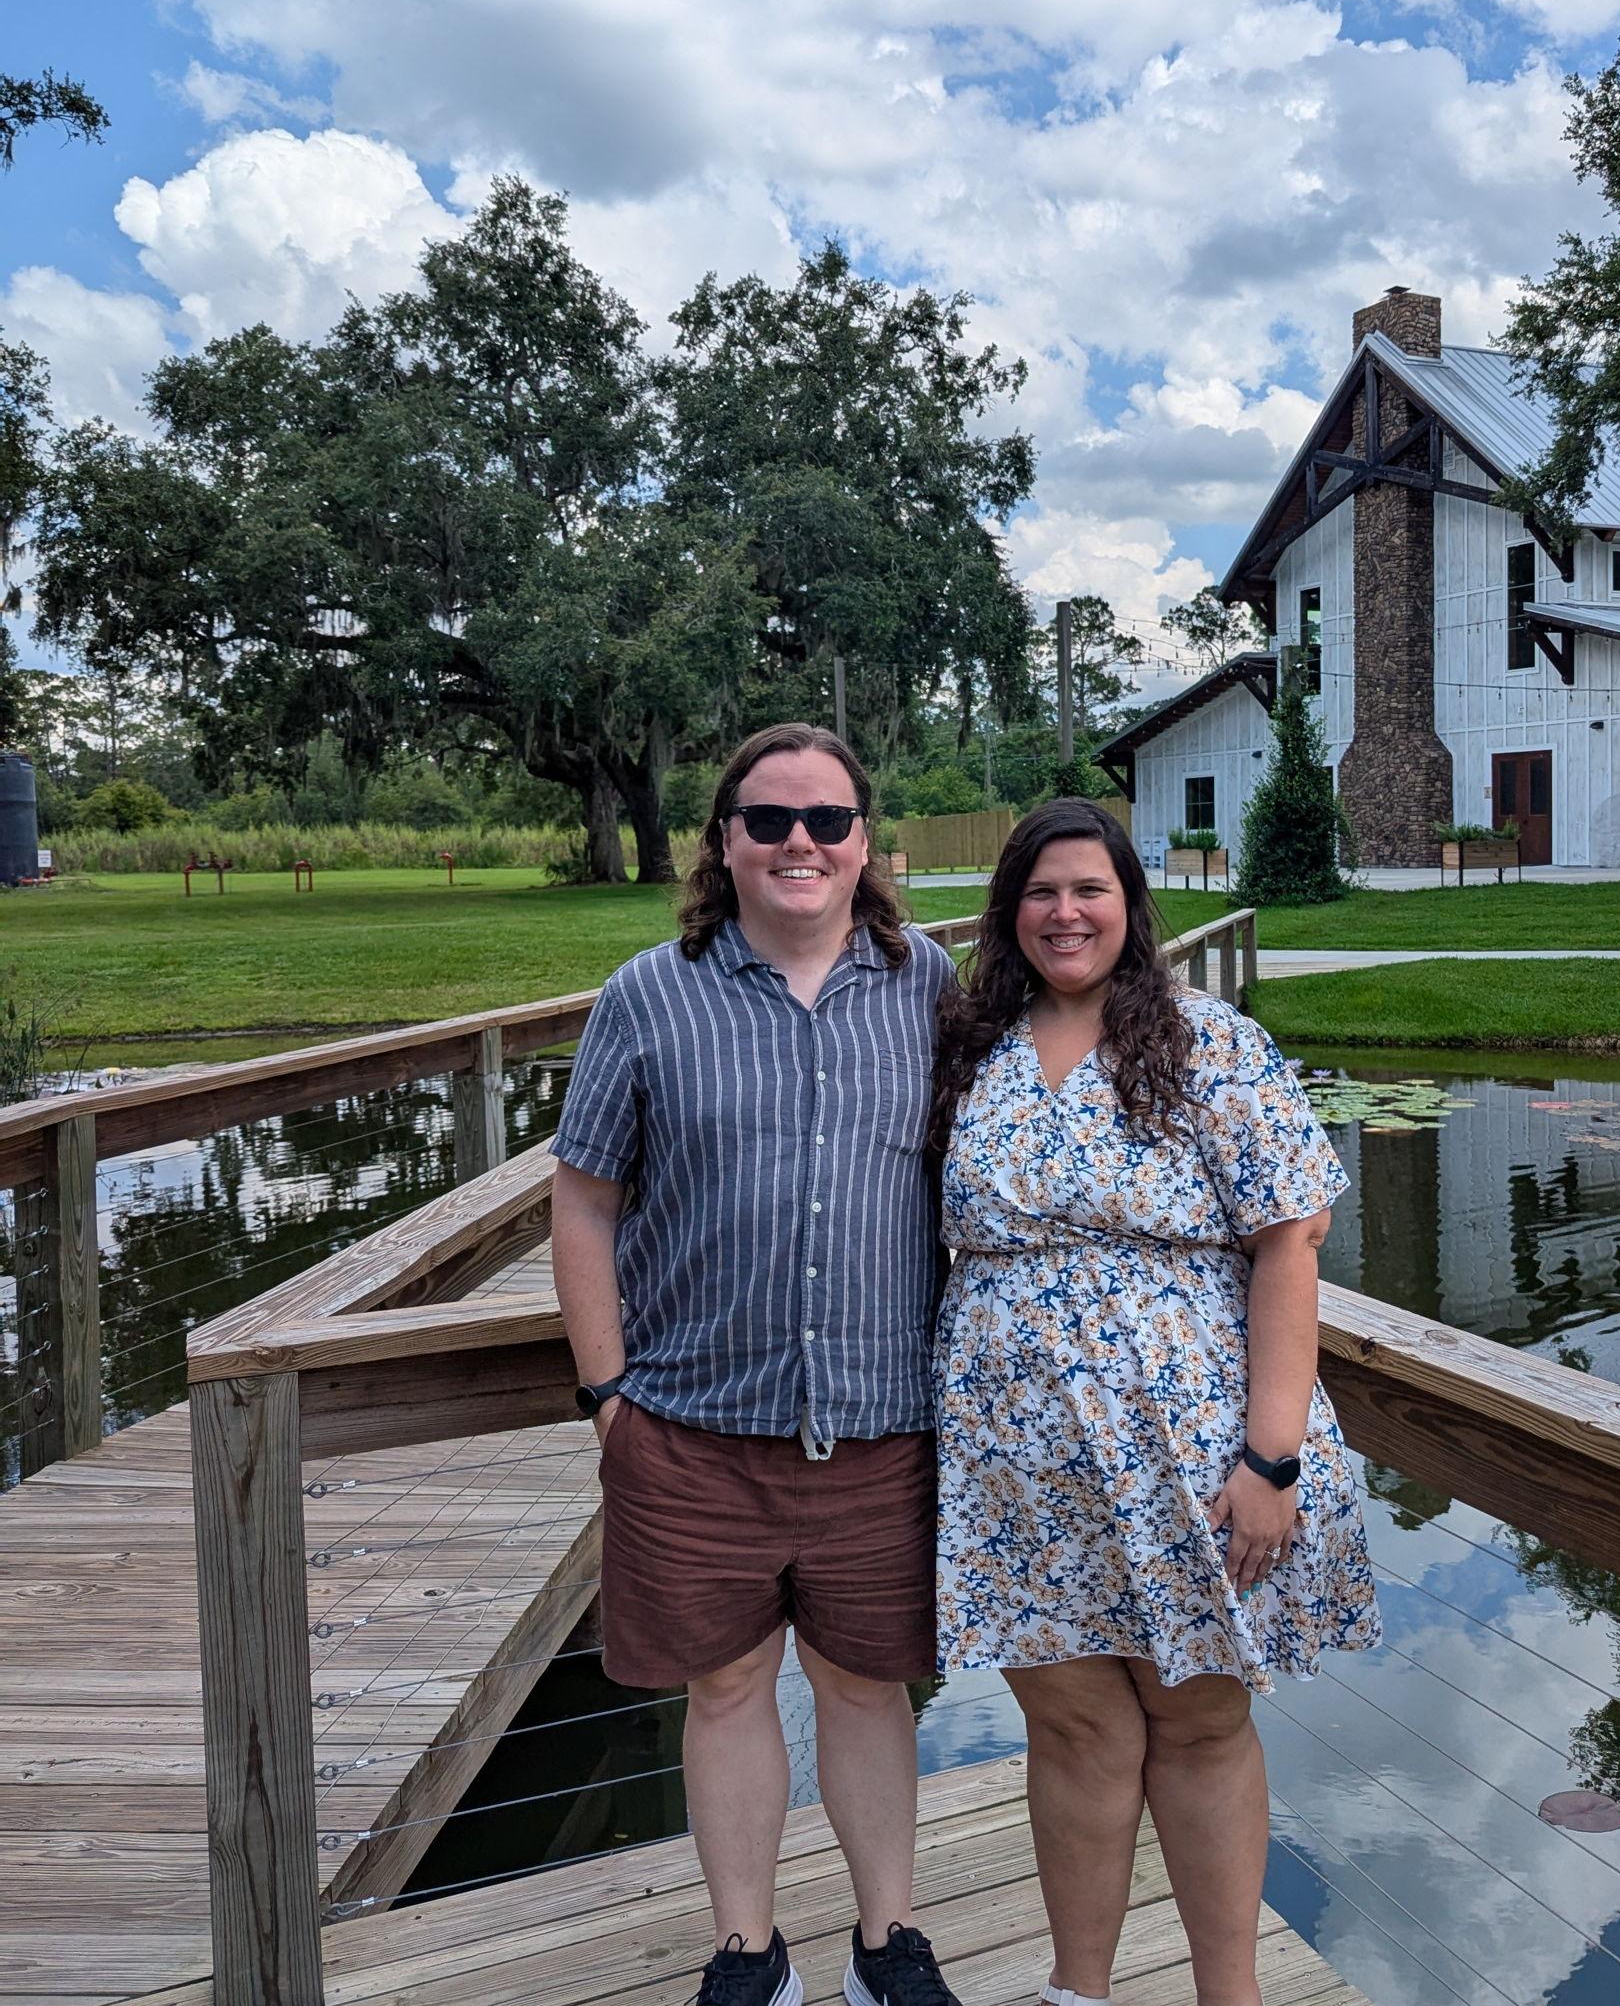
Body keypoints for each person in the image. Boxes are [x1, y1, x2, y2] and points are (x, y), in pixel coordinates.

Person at [929, 798, 1380, 2006]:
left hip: (1186, 1451)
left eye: (1087, 888)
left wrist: (1270, 1457)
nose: (1063, 912)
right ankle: (1080, 1991)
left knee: (1195, 1724)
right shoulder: (972, 1045)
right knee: (1073, 1729)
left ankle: (1223, 1995)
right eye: (1038, 891)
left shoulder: (1204, 1040)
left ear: (1129, 904)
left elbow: (1290, 1242)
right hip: (1014, 1462)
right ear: (1007, 910)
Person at [551, 723, 964, 2006]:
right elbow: (581, 1202)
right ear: (722, 839)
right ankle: (745, 1949)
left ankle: (884, 1940)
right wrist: (606, 1395)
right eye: (769, 818)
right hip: (687, 1423)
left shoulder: (932, 986)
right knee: (725, 1686)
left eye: (827, 820)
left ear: (864, 845)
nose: (799, 841)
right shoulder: (646, 992)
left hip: (878, 1423)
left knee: (864, 1685)